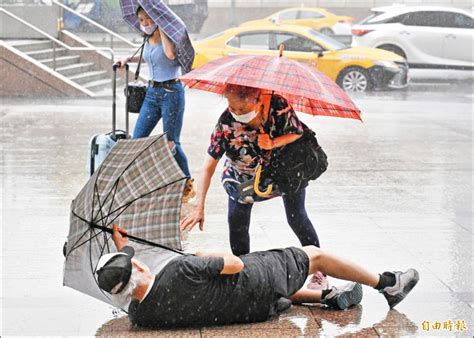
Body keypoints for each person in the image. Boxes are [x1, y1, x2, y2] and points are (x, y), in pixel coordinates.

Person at [96, 225, 419, 328]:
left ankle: (325, 297)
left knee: (263, 286)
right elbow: (234, 264)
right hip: (254, 282)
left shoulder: (141, 315)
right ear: (138, 269)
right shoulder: (181, 269)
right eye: (132, 261)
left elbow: (131, 284)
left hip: (253, 309)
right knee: (311, 254)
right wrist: (205, 255)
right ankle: (388, 284)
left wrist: (123, 248)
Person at [180, 84, 326, 289]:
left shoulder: (278, 104)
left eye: (242, 109)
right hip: (242, 177)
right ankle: (243, 273)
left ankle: (319, 269)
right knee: (237, 223)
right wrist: (199, 206)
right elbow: (208, 167)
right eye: (232, 108)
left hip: (283, 172)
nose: (237, 113)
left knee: (297, 218)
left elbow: (297, 132)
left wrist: (273, 142)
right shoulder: (226, 123)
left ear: (258, 99)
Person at [117, 6, 193, 186]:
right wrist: (127, 59)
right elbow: (148, 57)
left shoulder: (170, 37)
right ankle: (140, 182)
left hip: (171, 92)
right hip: (151, 93)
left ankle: (187, 183)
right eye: (141, 20)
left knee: (171, 143)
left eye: (148, 19)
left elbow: (169, 54)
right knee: (137, 140)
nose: (144, 23)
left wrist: (162, 27)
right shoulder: (147, 39)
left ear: (157, 18)